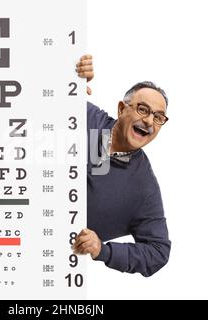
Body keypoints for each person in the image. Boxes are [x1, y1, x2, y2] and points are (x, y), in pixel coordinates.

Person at [73, 55, 171, 277]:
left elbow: (158, 251)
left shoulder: (144, 188)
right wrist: (67, 83)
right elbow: (30, 95)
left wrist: (103, 250)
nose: (148, 121)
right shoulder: (83, 116)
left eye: (158, 117)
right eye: (143, 109)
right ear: (121, 109)